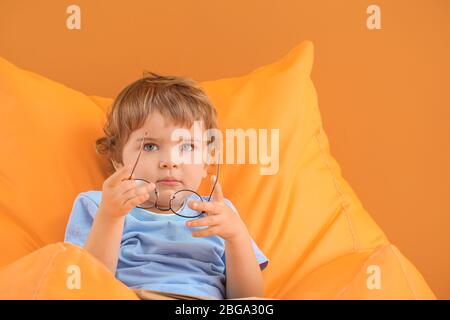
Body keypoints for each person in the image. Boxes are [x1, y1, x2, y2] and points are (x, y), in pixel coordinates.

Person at [64, 72, 269, 299]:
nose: (170, 161)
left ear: (206, 162)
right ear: (118, 160)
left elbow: (247, 297)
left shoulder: (219, 214)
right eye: (150, 146)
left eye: (187, 147)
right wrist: (110, 217)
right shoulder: (98, 205)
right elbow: (87, 287)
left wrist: (236, 237)